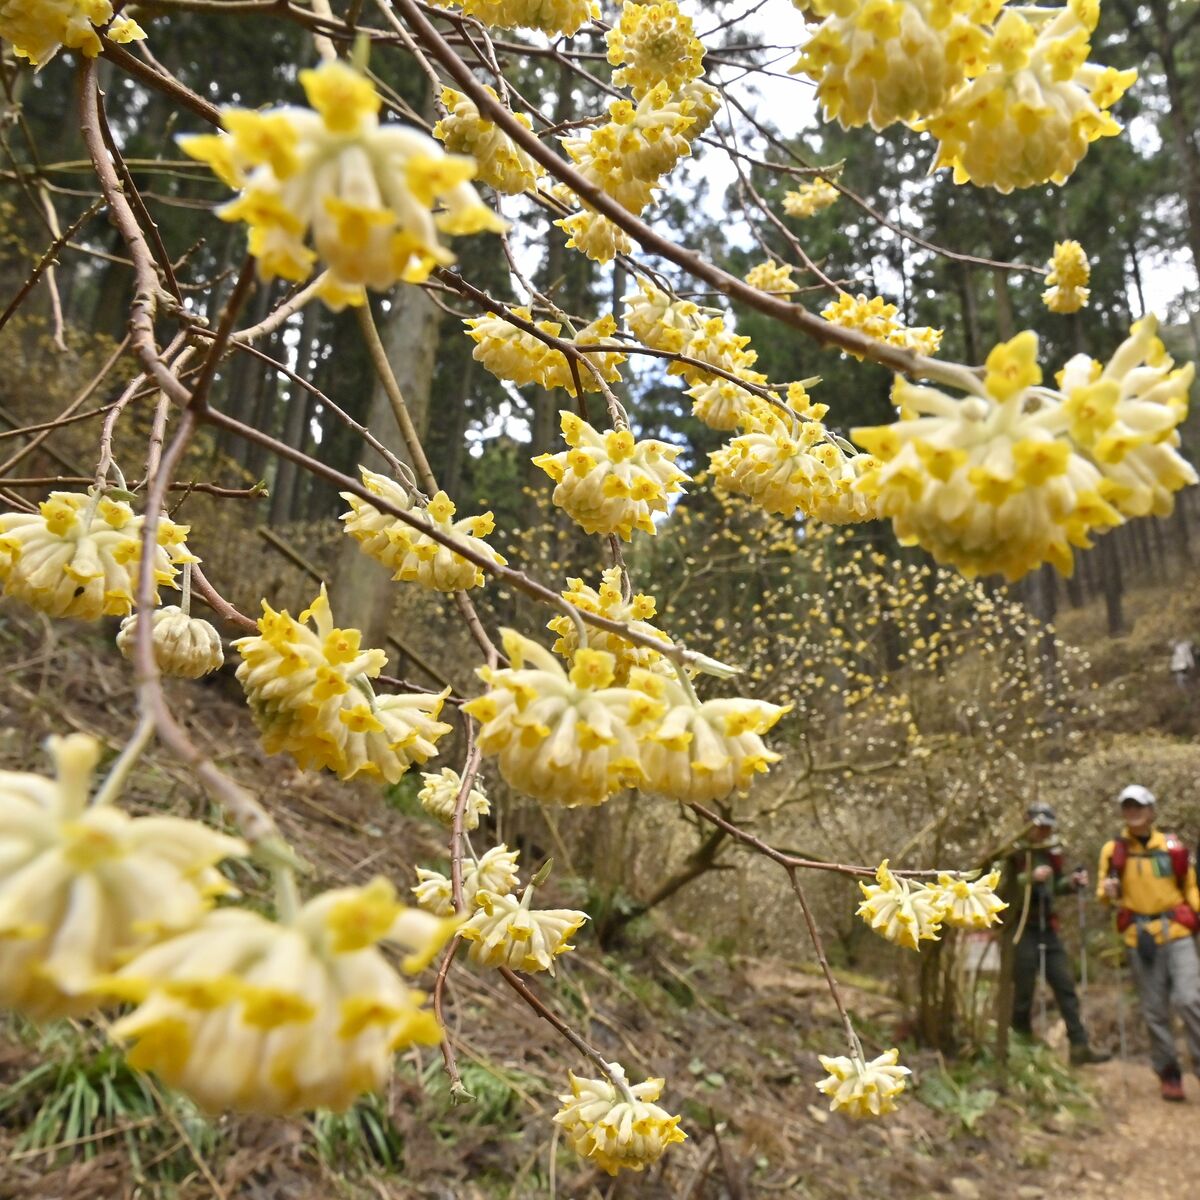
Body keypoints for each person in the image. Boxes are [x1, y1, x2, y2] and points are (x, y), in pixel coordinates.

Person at [1098, 784, 1200, 1102]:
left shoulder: (1171, 846)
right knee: (1154, 1008)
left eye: (1138, 807)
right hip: (1140, 936)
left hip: (1177, 931)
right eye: (1127, 807)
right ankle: (1169, 1073)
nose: (1133, 812)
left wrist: (1195, 912)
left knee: (1189, 999)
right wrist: (1108, 893)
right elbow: (1104, 895)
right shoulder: (1113, 850)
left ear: (1151, 811)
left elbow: (1190, 885)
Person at [1005, 803, 1109, 1065]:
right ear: (1027, 824)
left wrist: (1071, 884)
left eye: (1047, 828)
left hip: (1047, 928)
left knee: (1065, 985)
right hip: (1021, 928)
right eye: (1038, 826)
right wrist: (1029, 878)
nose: (1043, 832)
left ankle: (1079, 1046)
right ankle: (1021, 1044)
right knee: (1024, 988)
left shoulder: (1050, 854)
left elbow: (1056, 885)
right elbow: (1001, 887)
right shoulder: (1012, 854)